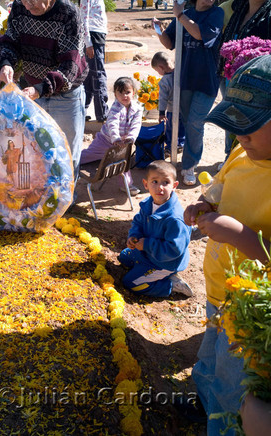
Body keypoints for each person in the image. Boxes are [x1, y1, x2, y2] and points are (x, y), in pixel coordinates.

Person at [184, 55, 271, 435]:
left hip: (252, 312)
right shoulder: (241, 153)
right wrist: (207, 204)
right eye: (234, 125)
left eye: (250, 126)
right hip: (219, 291)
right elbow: (222, 184)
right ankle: (204, 402)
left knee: (235, 376)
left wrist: (240, 236)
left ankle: (223, 424)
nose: (240, 136)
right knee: (210, 354)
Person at [0, 0, 88, 185]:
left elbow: (70, 66)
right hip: (32, 91)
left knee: (65, 152)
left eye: (33, 0)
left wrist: (40, 89)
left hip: (65, 96)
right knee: (37, 150)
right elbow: (11, 41)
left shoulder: (69, 15)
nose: (27, 6)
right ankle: (43, 201)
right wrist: (7, 63)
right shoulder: (19, 7)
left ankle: (65, 204)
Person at [153, 0, 224, 186]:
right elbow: (169, 43)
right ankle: (186, 161)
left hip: (207, 80)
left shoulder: (216, 14)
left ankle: (190, 164)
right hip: (184, 80)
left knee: (195, 122)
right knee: (185, 120)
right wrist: (158, 29)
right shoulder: (186, 13)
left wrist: (180, 16)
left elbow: (200, 34)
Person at [219, 0, 271, 163]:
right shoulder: (238, 13)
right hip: (234, 82)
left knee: (256, 140)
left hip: (262, 93)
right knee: (234, 126)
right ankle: (231, 162)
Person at [118, 160, 192, 298]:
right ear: (146, 184)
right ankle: (147, 268)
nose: (160, 187)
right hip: (149, 252)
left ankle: (170, 284)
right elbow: (138, 222)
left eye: (166, 182)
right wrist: (134, 236)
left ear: (174, 186)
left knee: (131, 282)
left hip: (165, 262)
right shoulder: (148, 204)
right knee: (124, 257)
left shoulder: (174, 218)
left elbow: (174, 249)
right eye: (155, 182)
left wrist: (146, 244)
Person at [80, 76, 142, 196]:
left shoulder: (137, 109)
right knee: (88, 155)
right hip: (105, 140)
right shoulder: (115, 109)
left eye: (127, 92)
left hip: (123, 142)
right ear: (115, 94)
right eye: (120, 92)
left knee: (123, 162)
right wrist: (116, 138)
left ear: (133, 92)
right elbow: (112, 124)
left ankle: (126, 185)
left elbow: (136, 125)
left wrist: (131, 137)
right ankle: (73, 163)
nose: (124, 96)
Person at [79, 0, 110, 123]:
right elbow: (83, 19)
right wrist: (88, 43)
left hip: (98, 37)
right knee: (99, 76)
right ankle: (103, 114)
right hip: (93, 39)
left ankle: (82, 112)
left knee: (90, 78)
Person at [151, 51, 185, 156]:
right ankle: (181, 144)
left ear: (161, 67)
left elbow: (163, 98)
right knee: (182, 128)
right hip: (184, 109)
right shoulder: (180, 73)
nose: (158, 73)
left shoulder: (164, 81)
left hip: (171, 110)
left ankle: (170, 147)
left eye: (157, 70)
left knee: (170, 129)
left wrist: (162, 112)